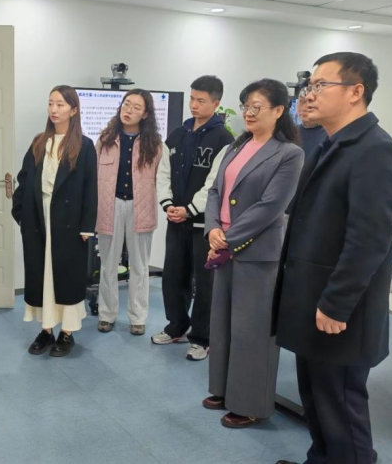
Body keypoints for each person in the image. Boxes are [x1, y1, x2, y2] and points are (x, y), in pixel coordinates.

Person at [275, 53, 392, 464]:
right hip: (312, 300)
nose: (308, 95)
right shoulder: (331, 144)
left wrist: (336, 302)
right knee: (317, 400)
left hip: (339, 311)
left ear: (355, 92)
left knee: (341, 411)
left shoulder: (376, 152)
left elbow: (369, 240)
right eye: (308, 86)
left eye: (320, 85)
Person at [203, 79, 303, 428]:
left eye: (256, 107)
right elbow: (215, 191)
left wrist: (227, 238)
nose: (248, 112)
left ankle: (250, 403)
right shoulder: (237, 145)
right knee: (223, 324)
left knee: (253, 330)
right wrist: (212, 228)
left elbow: (271, 206)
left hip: (257, 254)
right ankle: (223, 389)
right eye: (246, 105)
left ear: (279, 111)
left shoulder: (289, 153)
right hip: (223, 245)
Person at [152, 75, 234, 362]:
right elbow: (162, 172)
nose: (194, 105)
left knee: (205, 283)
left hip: (203, 225)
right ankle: (176, 326)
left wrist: (189, 209)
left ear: (216, 103)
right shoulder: (177, 134)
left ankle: (202, 338)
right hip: (175, 221)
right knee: (173, 277)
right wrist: (168, 204)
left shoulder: (224, 139)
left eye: (201, 100)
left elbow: (215, 183)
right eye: (192, 98)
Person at [12, 85, 97, 358]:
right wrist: (21, 214)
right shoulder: (39, 142)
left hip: (69, 223)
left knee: (66, 278)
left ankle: (67, 333)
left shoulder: (84, 145)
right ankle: (46, 330)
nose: (54, 109)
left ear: (73, 110)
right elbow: (24, 179)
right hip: (38, 219)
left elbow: (90, 187)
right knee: (42, 275)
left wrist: (87, 226)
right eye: (51, 103)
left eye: (60, 104)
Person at [95, 89, 163, 336]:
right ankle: (107, 314)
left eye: (136, 107)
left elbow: (161, 179)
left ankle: (137, 317)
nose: (129, 110)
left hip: (140, 209)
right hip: (109, 207)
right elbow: (94, 174)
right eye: (126, 104)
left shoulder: (154, 144)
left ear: (145, 114)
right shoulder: (105, 139)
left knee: (140, 267)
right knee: (108, 265)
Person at [296, 94, 327, 158]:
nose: (303, 108)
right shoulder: (290, 132)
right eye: (301, 101)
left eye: (310, 102)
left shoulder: (329, 134)